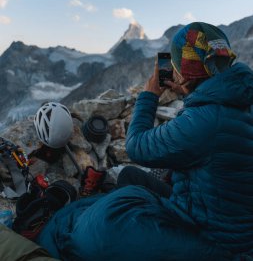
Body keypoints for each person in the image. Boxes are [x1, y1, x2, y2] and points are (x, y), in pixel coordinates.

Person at [36, 22, 253, 261]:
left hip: (213, 237)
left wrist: (150, 94)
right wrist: (189, 92)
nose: (171, 69)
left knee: (99, 229)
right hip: (215, 213)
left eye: (176, 64)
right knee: (130, 176)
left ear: (187, 71)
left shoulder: (205, 121)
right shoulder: (237, 97)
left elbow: (136, 146)